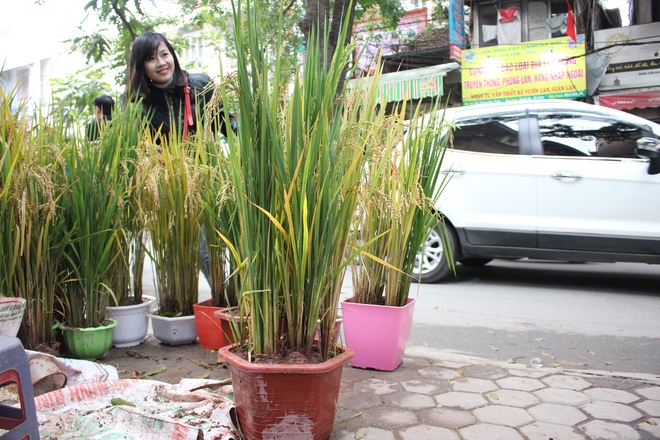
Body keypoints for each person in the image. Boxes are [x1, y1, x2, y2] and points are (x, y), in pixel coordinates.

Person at [124, 32, 236, 140]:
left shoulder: (202, 85)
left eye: (164, 54)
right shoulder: (139, 104)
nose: (161, 63)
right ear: (140, 66)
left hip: (205, 159)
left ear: (172, 55)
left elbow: (224, 122)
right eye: (151, 59)